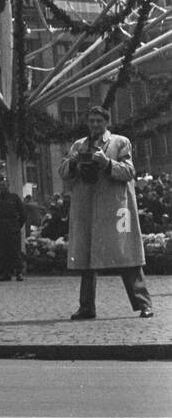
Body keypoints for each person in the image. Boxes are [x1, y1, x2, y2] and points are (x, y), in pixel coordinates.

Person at [60, 105, 154, 319]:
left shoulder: (120, 142)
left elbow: (129, 172)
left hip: (116, 210)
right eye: (91, 121)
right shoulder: (79, 145)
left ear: (106, 123)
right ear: (87, 122)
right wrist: (73, 162)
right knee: (87, 259)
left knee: (127, 255)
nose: (95, 125)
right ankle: (86, 307)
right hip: (88, 209)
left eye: (99, 121)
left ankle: (143, 304)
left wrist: (107, 162)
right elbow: (63, 172)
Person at [0, 175, 26, 282]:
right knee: (3, 252)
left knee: (15, 251)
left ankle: (19, 272)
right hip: (2, 228)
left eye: (5, 184)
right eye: (1, 185)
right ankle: (6, 273)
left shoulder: (14, 198)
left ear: (8, 185)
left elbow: (23, 214)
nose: (3, 187)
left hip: (13, 228)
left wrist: (17, 225)